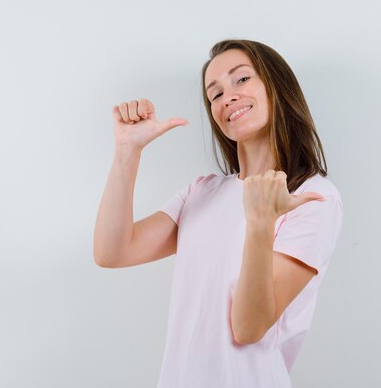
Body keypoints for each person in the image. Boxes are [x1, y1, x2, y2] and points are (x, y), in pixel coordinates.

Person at [93, 39, 343, 388]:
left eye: (241, 79)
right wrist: (127, 150)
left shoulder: (312, 197)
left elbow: (248, 328)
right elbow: (111, 252)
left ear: (277, 86)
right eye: (215, 94)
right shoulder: (202, 191)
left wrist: (260, 222)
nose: (228, 97)